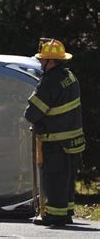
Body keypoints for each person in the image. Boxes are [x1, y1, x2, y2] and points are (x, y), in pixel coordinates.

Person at [25, 39, 85, 226]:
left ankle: (55, 217)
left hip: (56, 143)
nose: (40, 63)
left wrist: (35, 120)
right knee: (66, 179)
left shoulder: (49, 81)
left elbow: (32, 113)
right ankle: (65, 213)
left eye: (43, 60)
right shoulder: (70, 77)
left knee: (54, 179)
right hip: (74, 142)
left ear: (51, 61)